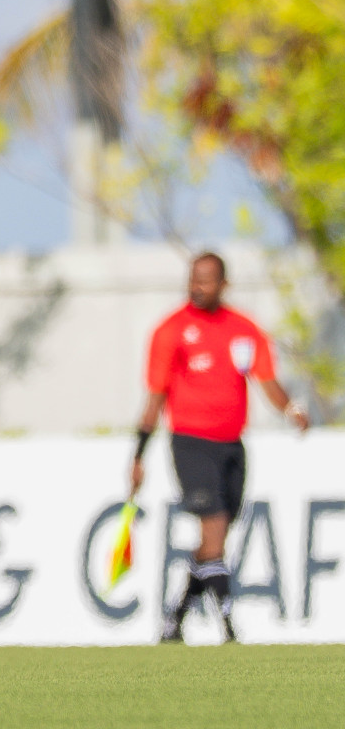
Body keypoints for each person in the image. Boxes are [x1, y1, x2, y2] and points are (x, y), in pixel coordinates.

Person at [130, 251, 310, 643]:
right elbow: (155, 397)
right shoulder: (171, 331)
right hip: (191, 444)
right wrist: (138, 455)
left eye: (206, 280)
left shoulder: (244, 330)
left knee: (216, 540)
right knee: (212, 530)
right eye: (193, 279)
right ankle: (228, 624)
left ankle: (174, 619)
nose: (197, 287)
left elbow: (267, 379)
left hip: (232, 446)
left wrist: (291, 408)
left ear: (223, 284)